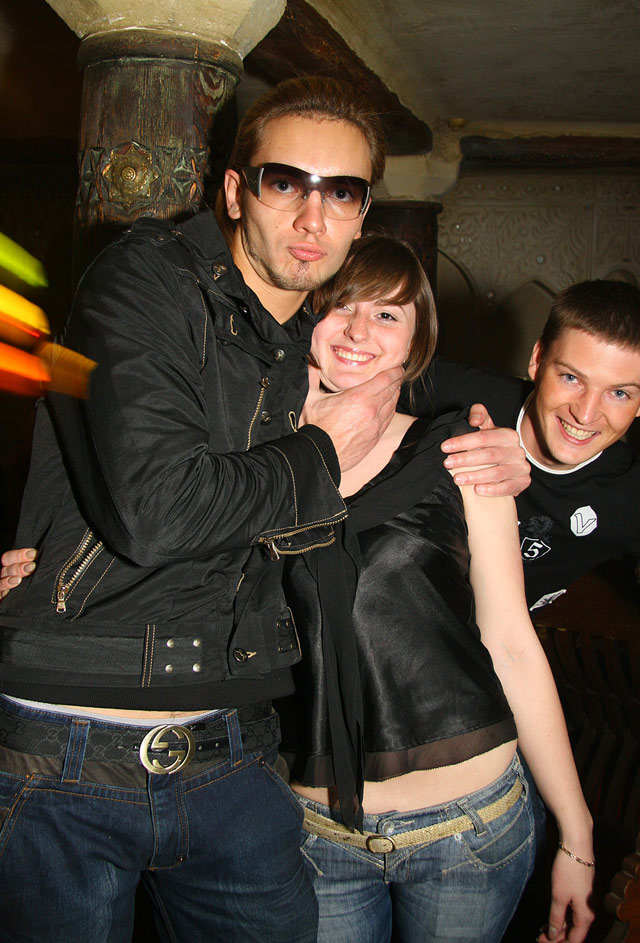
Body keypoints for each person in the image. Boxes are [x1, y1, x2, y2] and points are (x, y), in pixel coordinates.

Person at [0, 77, 527, 941]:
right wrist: (322, 453)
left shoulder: (302, 349)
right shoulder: (152, 279)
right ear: (236, 191)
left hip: (240, 751)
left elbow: (484, 382)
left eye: (342, 192)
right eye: (286, 182)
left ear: (363, 214)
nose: (313, 217)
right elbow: (155, 511)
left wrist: (521, 447)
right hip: (74, 747)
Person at [276, 235, 594, 943]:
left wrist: (577, 832)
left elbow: (511, 645)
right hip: (312, 834)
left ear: (416, 342)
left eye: (388, 315)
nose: (359, 330)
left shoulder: (461, 454)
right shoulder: (249, 461)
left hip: (470, 829)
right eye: (340, 305)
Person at [415, 280, 640, 610]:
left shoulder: (629, 494)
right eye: (571, 378)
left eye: (619, 393)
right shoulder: (453, 393)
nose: (585, 414)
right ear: (538, 359)